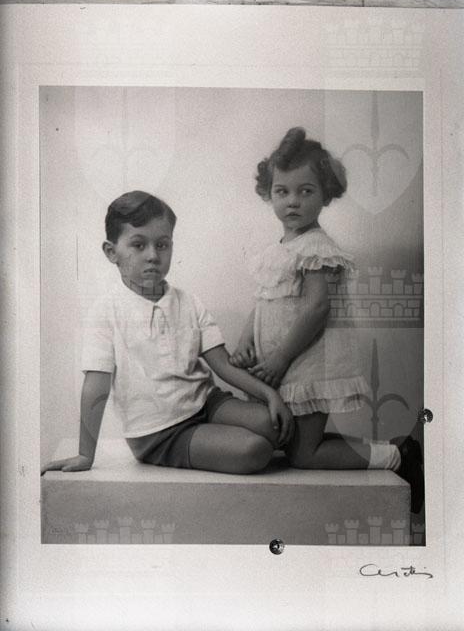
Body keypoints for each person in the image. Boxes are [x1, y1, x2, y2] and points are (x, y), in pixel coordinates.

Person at [230, 127, 424, 512]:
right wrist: (246, 338)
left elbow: (317, 308)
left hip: (307, 362)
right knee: (293, 444)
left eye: (306, 191)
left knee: (305, 453)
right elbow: (266, 299)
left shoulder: (317, 247)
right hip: (282, 363)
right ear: (269, 194)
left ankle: (397, 456)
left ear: (325, 194)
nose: (293, 201)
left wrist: (280, 358)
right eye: (282, 191)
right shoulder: (280, 248)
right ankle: (395, 451)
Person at [41, 190, 294, 477]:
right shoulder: (106, 311)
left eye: (162, 245)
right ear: (112, 252)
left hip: (207, 403)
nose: (153, 256)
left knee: (275, 424)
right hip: (159, 432)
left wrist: (269, 394)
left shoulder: (188, 302)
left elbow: (222, 365)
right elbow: (95, 386)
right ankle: (213, 442)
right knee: (253, 450)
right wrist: (86, 454)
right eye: (138, 245)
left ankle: (217, 437)